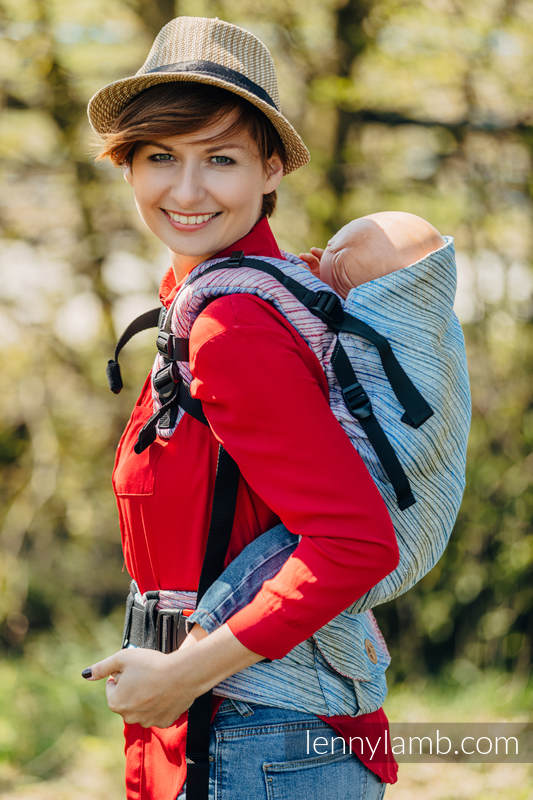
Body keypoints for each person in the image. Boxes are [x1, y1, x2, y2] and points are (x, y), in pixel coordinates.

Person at [81, 16, 466, 800]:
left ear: (269, 169)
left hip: (253, 735)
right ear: (127, 167)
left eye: (219, 159)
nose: (186, 191)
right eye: (160, 157)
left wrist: (182, 673)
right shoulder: (244, 295)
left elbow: (354, 545)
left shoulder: (233, 326)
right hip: (256, 726)